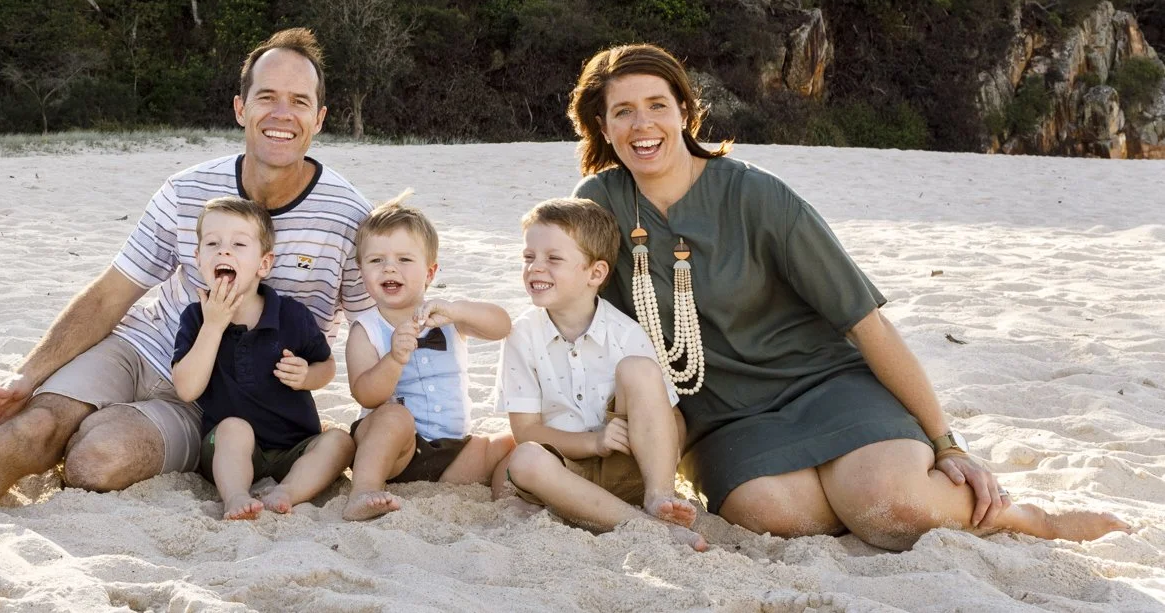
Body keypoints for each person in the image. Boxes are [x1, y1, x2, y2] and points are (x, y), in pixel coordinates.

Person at [568, 43, 1129, 550]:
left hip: (825, 383)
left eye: (657, 105)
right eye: (623, 111)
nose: (643, 124)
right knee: (772, 515)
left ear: (685, 113)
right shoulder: (598, 206)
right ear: (603, 124)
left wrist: (946, 442)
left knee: (896, 508)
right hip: (722, 416)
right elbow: (575, 324)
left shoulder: (754, 194)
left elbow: (868, 325)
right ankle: (850, 493)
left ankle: (1027, 518)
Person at [0, 27, 372, 529]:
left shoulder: (349, 216)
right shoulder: (188, 189)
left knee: (96, 460)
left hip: (207, 398)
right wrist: (28, 374)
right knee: (37, 424)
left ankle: (81, 429)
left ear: (319, 118)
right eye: (267, 97)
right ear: (241, 108)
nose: (282, 114)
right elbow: (113, 291)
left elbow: (374, 327)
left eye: (299, 101)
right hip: (141, 346)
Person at [498, 197, 707, 551]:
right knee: (525, 459)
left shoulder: (625, 334)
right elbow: (525, 430)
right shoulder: (522, 335)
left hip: (628, 471)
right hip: (566, 475)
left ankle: (658, 500)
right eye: (529, 257)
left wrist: (662, 475)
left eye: (553, 259)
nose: (535, 268)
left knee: (639, 370)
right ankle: (644, 527)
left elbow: (671, 419)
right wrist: (592, 443)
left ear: (595, 273)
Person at [169, 196, 353, 519]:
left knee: (340, 442)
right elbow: (186, 389)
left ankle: (288, 492)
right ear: (198, 258)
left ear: (263, 264)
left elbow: (327, 366)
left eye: (239, 244)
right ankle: (236, 496)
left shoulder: (291, 316)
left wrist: (307, 377)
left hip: (296, 446)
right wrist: (213, 326)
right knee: (234, 429)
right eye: (213, 243)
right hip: (229, 451)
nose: (224, 251)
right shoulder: (196, 318)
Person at [342, 192, 515, 521]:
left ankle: (507, 501)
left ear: (430, 272)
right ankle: (364, 488)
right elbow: (364, 393)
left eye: (404, 260)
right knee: (394, 416)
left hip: (452, 452)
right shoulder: (366, 328)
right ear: (361, 270)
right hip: (397, 454)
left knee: (511, 444)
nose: (390, 267)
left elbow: (502, 326)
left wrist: (457, 309)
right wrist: (393, 359)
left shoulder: (448, 317)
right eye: (376, 260)